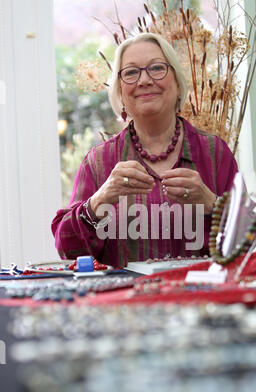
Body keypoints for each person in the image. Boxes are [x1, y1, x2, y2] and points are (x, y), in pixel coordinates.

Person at [52, 33, 239, 268]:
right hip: (123, 301)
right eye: (131, 72)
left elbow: (247, 240)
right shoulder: (99, 162)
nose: (144, 81)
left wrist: (212, 203)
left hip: (200, 298)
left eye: (157, 68)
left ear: (178, 83)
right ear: (120, 92)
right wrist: (99, 200)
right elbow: (67, 249)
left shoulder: (214, 153)